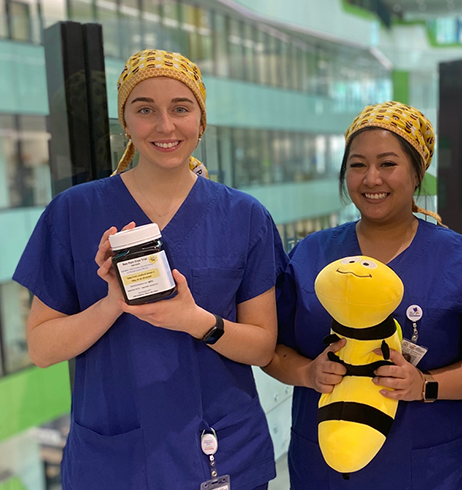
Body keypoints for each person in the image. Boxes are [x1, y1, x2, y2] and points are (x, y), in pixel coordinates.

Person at [13, 49, 286, 489]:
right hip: (116, 461)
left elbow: (261, 347)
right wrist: (112, 304)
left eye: (181, 108)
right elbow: (43, 348)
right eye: (145, 110)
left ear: (201, 121)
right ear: (125, 122)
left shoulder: (244, 216)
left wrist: (194, 321)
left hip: (221, 450)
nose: (165, 126)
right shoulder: (74, 211)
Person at [264, 101, 462, 489]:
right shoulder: (311, 255)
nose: (371, 178)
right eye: (357, 165)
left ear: (417, 172)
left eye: (388, 164)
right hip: (325, 465)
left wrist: (424, 385)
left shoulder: (460, 258)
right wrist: (307, 373)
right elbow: (272, 350)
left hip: (429, 466)